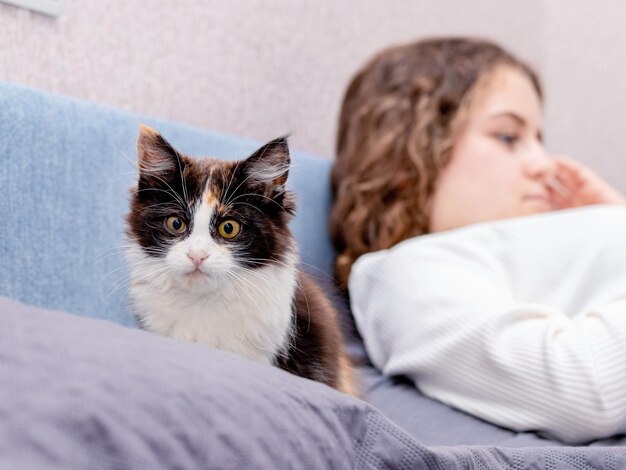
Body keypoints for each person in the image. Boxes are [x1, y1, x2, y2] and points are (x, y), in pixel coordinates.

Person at [330, 37, 626, 444]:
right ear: (406, 159)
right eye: (508, 137)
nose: (546, 164)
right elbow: (584, 387)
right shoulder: (405, 272)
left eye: (540, 139)